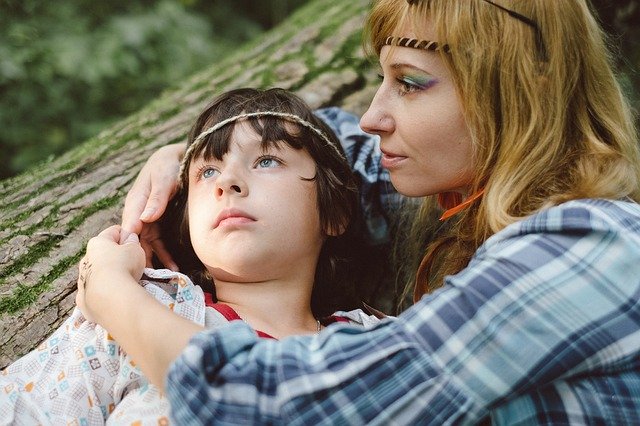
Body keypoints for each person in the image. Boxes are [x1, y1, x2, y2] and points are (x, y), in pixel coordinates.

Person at [87, 0, 640, 424]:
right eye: (382, 79)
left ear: (522, 87)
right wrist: (190, 156)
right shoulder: (446, 196)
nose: (375, 115)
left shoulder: (588, 251)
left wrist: (113, 295)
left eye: (410, 83)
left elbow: (280, 408)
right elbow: (330, 146)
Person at [0, 88, 379, 424]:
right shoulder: (143, 305)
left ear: (335, 213)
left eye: (266, 161)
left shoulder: (378, 343)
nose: (227, 182)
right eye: (208, 171)